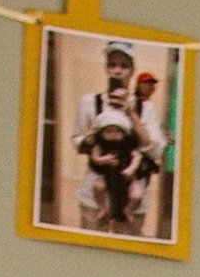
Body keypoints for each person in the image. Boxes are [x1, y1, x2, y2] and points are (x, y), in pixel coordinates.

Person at [71, 42, 165, 236]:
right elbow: (77, 140)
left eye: (123, 65)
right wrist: (91, 139)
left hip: (131, 195)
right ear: (106, 67)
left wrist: (131, 115)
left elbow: (156, 151)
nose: (117, 70)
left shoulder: (146, 109)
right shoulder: (90, 102)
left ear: (131, 71)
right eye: (113, 64)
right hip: (95, 196)